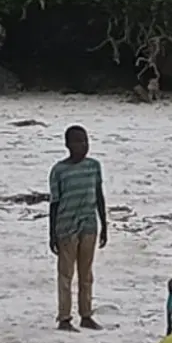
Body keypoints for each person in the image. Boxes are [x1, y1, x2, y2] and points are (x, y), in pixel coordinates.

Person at [49, 125, 107, 331]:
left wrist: (105, 225)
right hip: (66, 227)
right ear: (67, 144)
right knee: (66, 274)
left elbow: (99, 196)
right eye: (77, 141)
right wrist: (52, 235)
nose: (82, 145)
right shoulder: (59, 170)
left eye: (85, 141)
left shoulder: (93, 166)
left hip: (89, 225)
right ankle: (64, 317)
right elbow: (54, 204)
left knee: (86, 273)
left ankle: (86, 315)